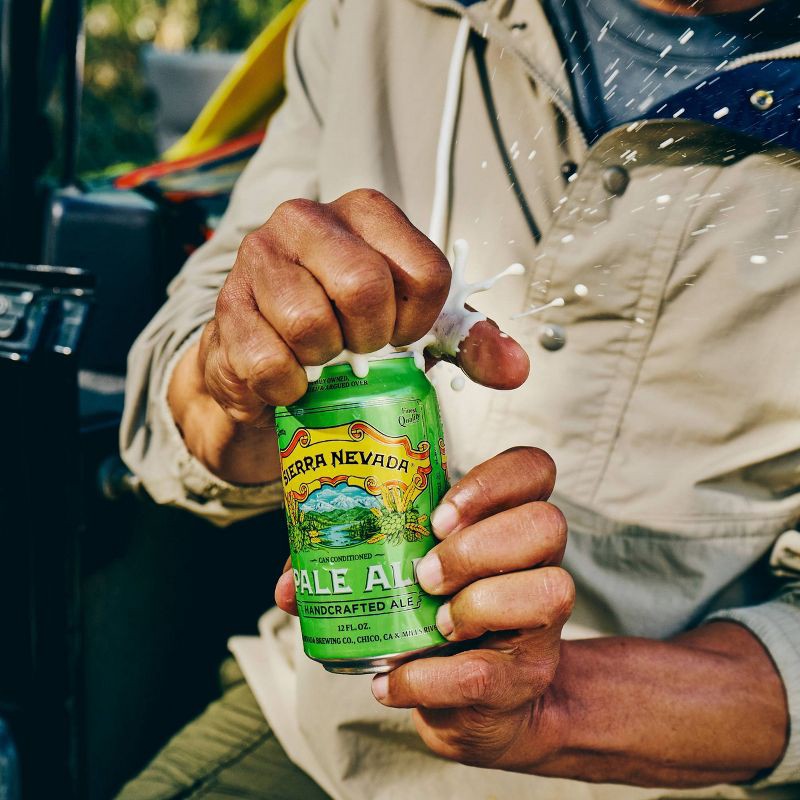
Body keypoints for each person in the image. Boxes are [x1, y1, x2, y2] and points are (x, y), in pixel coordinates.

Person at [117, 0, 800, 797]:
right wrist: (235, 378)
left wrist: (563, 711)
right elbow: (177, 383)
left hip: (699, 771)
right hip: (330, 732)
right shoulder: (369, 16)